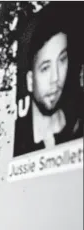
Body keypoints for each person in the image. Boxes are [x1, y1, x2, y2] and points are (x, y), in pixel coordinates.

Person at [14, 9, 83, 156]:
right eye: (45, 68)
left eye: (62, 60)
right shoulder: (17, 144)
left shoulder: (78, 126)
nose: (56, 78)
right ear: (30, 80)